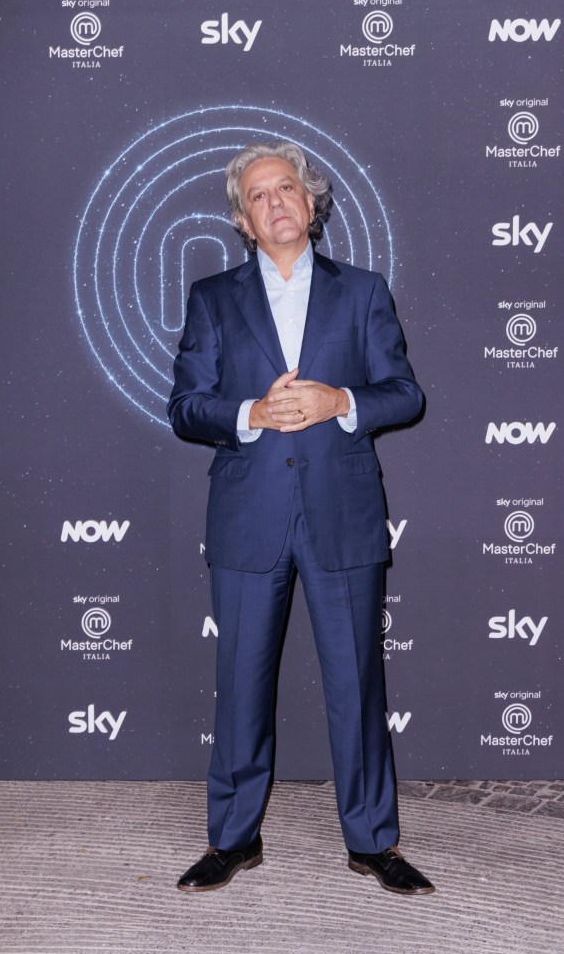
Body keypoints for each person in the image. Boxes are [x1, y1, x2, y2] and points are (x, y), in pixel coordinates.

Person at [167, 142, 434, 896]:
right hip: (248, 517)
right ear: (244, 222)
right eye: (259, 195)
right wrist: (249, 412)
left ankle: (373, 842)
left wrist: (339, 402)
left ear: (311, 204)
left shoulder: (365, 291)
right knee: (240, 682)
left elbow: (405, 393)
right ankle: (233, 837)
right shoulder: (213, 298)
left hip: (343, 512)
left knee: (357, 683)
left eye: (288, 187)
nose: (276, 200)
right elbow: (185, 406)